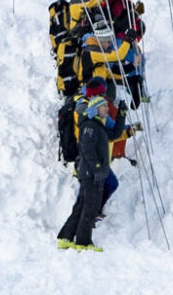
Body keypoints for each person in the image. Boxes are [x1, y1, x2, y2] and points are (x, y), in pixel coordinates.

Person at [57, 95, 127, 251]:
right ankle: (83, 242)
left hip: (92, 173)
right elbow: (87, 149)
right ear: (95, 109)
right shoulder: (89, 125)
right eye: (104, 106)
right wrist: (97, 168)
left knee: (82, 206)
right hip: (91, 174)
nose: (107, 109)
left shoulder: (97, 126)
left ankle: (65, 237)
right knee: (90, 207)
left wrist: (121, 114)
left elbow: (115, 134)